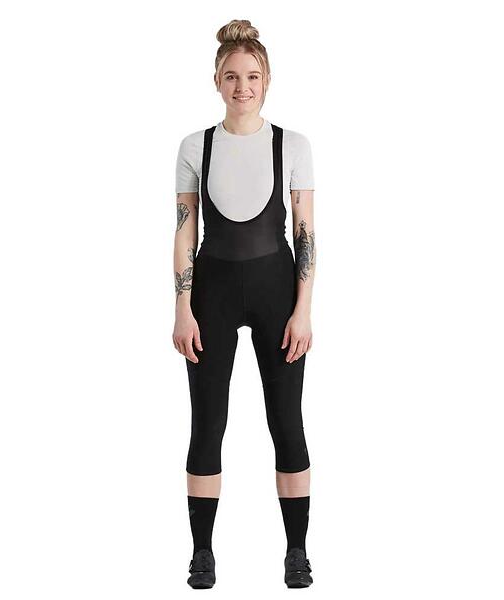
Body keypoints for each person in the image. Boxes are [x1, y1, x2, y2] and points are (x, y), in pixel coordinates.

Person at [172, 19, 316, 589]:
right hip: (212, 292)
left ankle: (297, 551)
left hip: (277, 291)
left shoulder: (292, 145)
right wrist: (182, 308)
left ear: (267, 80)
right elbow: (184, 232)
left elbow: (305, 232)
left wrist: (303, 310)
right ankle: (202, 553)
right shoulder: (195, 146)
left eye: (252, 76)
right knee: (208, 422)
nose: (242, 86)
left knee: (287, 420)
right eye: (232, 76)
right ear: (216, 80)